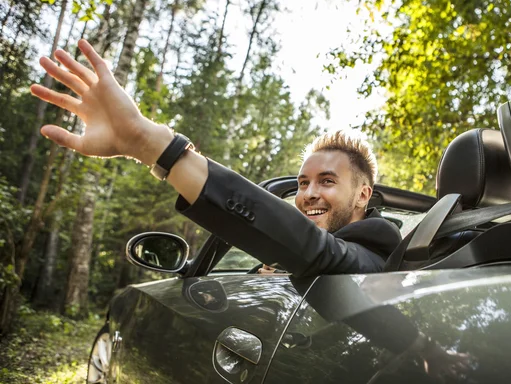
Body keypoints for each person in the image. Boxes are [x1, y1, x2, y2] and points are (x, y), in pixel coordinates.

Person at [30, 39, 401, 277]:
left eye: (328, 181)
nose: (308, 193)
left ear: (364, 195)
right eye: (304, 183)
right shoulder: (285, 263)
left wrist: (151, 145)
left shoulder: (376, 255)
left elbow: (314, 249)